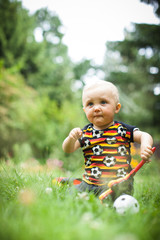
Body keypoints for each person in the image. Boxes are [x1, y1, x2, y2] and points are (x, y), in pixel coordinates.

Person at [62, 80, 153, 201]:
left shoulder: (122, 129)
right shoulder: (85, 133)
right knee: (71, 195)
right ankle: (73, 183)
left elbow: (144, 135)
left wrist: (145, 146)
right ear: (84, 110)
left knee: (117, 201)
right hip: (90, 183)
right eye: (90, 104)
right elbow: (68, 149)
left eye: (103, 102)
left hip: (118, 184)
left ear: (116, 108)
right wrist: (70, 138)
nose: (96, 108)